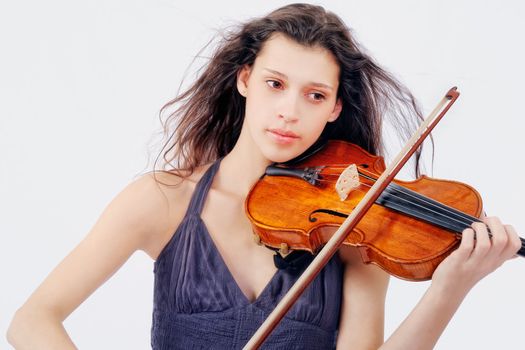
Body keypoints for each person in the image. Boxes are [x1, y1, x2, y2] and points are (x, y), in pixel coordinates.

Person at [6, 3, 521, 349]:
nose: (289, 111)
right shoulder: (161, 201)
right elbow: (32, 320)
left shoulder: (356, 228)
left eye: (314, 95)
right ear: (246, 80)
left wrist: (451, 286)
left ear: (335, 108)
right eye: (276, 83)